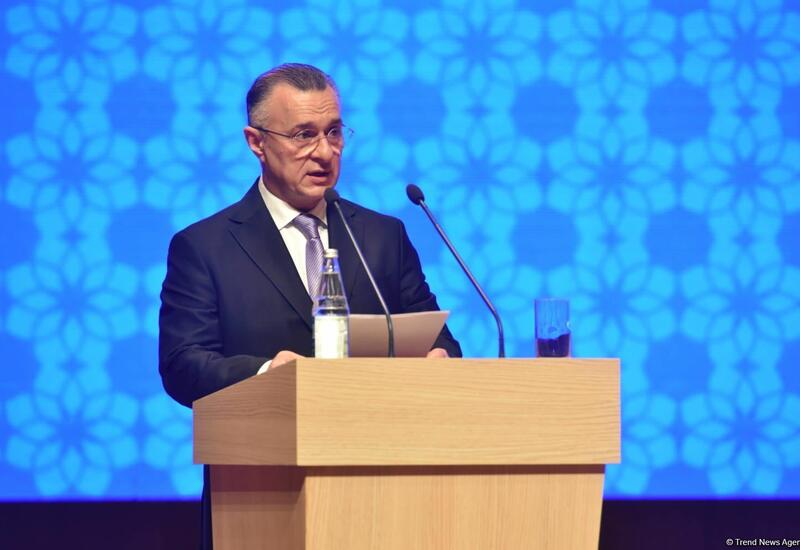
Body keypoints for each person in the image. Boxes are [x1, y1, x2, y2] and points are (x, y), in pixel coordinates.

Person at [158, 63, 461, 549]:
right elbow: (182, 365)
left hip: (386, 494)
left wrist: (438, 359)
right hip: (262, 500)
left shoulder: (382, 237)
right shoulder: (205, 247)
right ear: (256, 142)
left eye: (334, 132)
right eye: (304, 135)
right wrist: (267, 375)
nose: (325, 152)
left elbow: (438, 338)